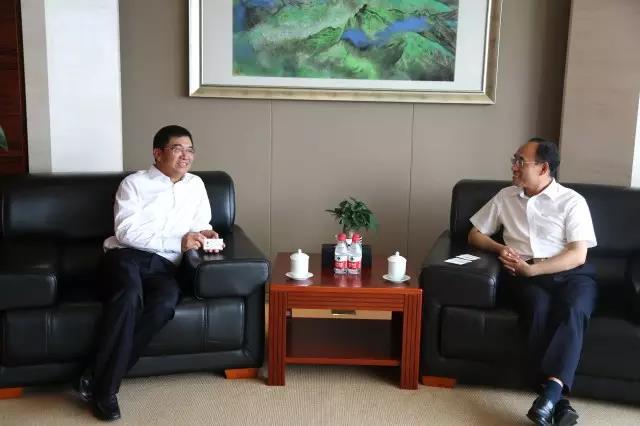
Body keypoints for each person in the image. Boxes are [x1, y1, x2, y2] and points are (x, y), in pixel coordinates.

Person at [74, 125, 222, 421]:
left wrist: (206, 233)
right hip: (125, 258)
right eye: (177, 149)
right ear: (158, 153)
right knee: (129, 297)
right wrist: (177, 241)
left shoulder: (196, 185)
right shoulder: (134, 184)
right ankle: (106, 392)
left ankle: (96, 374)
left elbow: (200, 223)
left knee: (164, 304)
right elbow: (126, 231)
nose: (185, 156)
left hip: (165, 266)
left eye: (190, 150)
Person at [467, 138, 597, 425]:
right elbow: (474, 234)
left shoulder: (572, 202)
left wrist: (534, 271)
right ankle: (555, 401)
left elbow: (578, 254)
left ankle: (550, 394)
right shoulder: (506, 197)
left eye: (520, 162)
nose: (514, 167)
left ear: (543, 168)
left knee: (574, 310)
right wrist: (500, 248)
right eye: (514, 160)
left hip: (571, 274)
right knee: (537, 309)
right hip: (524, 276)